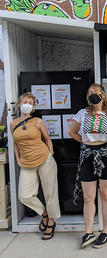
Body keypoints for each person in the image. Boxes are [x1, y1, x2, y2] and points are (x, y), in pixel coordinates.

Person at [69, 83, 107, 249]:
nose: (92, 93)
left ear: (103, 95)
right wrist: (87, 144)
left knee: (105, 194)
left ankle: (106, 231)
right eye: (90, 92)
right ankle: (88, 232)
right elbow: (72, 132)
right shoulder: (82, 113)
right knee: (88, 197)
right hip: (87, 157)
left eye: (96, 91)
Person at [10, 92, 61, 240]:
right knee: (24, 195)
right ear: (20, 104)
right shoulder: (13, 123)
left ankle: (51, 222)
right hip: (26, 163)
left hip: (45, 160)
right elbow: (15, 144)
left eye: (31, 103)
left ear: (33, 107)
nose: (28, 104)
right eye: (25, 101)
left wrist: (50, 153)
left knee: (50, 193)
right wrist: (18, 159)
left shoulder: (38, 121)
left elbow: (48, 139)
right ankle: (45, 214)